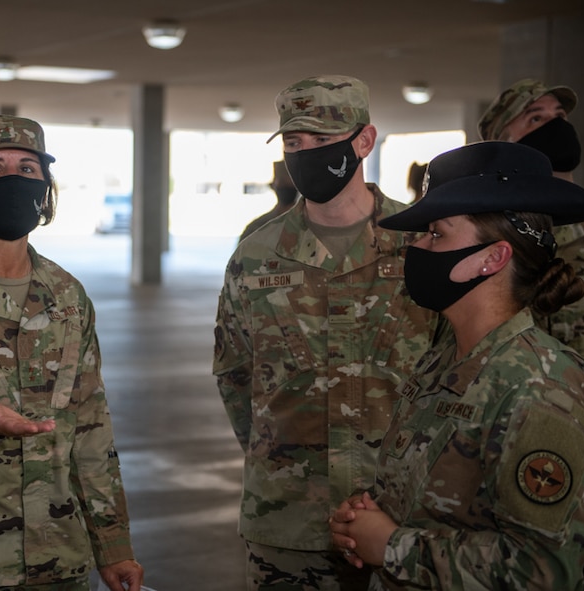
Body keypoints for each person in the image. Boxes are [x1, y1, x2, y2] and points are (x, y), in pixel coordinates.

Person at [328, 141, 584, 590]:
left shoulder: (540, 386)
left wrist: (392, 545)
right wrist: (366, 520)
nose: (417, 246)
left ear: (492, 258)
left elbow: (541, 571)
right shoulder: (446, 356)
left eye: (437, 233)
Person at [213, 75, 436, 591]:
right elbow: (235, 373)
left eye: (322, 140)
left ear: (364, 141)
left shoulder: (420, 242)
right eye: (294, 142)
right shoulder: (256, 253)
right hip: (289, 522)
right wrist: (282, 457)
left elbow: (457, 366)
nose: (305, 153)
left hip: (404, 518)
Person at [0, 114, 144, 591]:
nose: (14, 179)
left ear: (45, 190)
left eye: (28, 168)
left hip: (63, 559)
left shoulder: (68, 296)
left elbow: (92, 429)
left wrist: (114, 546)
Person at [478, 78, 584, 586]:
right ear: (501, 145)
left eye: (559, 114)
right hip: (511, 461)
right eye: (536, 119)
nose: (558, 125)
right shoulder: (487, 242)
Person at [239, 160, 299, 242]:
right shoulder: (258, 227)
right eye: (282, 182)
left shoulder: (310, 224)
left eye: (288, 181)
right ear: (274, 186)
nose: (285, 185)